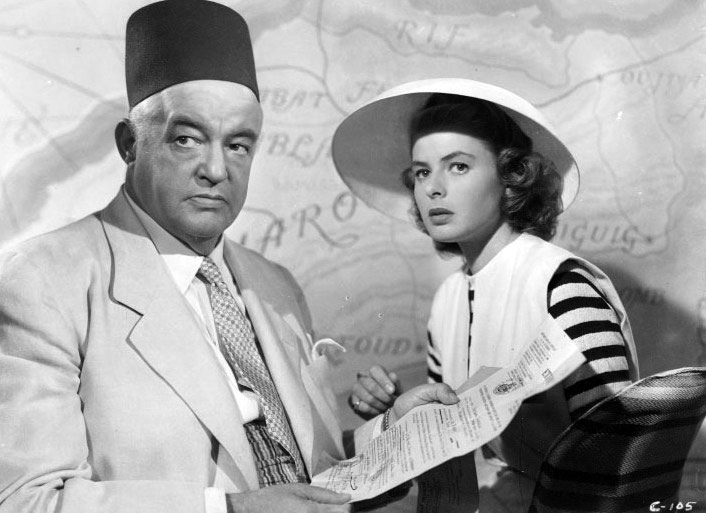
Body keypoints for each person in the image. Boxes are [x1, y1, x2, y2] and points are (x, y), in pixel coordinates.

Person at [0, 3, 457, 513]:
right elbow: (27, 500)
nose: (216, 169)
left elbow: (298, 474)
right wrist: (232, 510)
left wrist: (390, 438)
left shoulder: (274, 283)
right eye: (186, 139)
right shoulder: (43, 281)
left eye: (238, 145)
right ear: (130, 144)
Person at [332, 78, 640, 512]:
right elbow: (452, 442)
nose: (433, 188)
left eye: (458, 166)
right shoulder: (449, 299)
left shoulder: (560, 284)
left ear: (511, 177)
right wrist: (397, 414)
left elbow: (619, 452)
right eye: (422, 172)